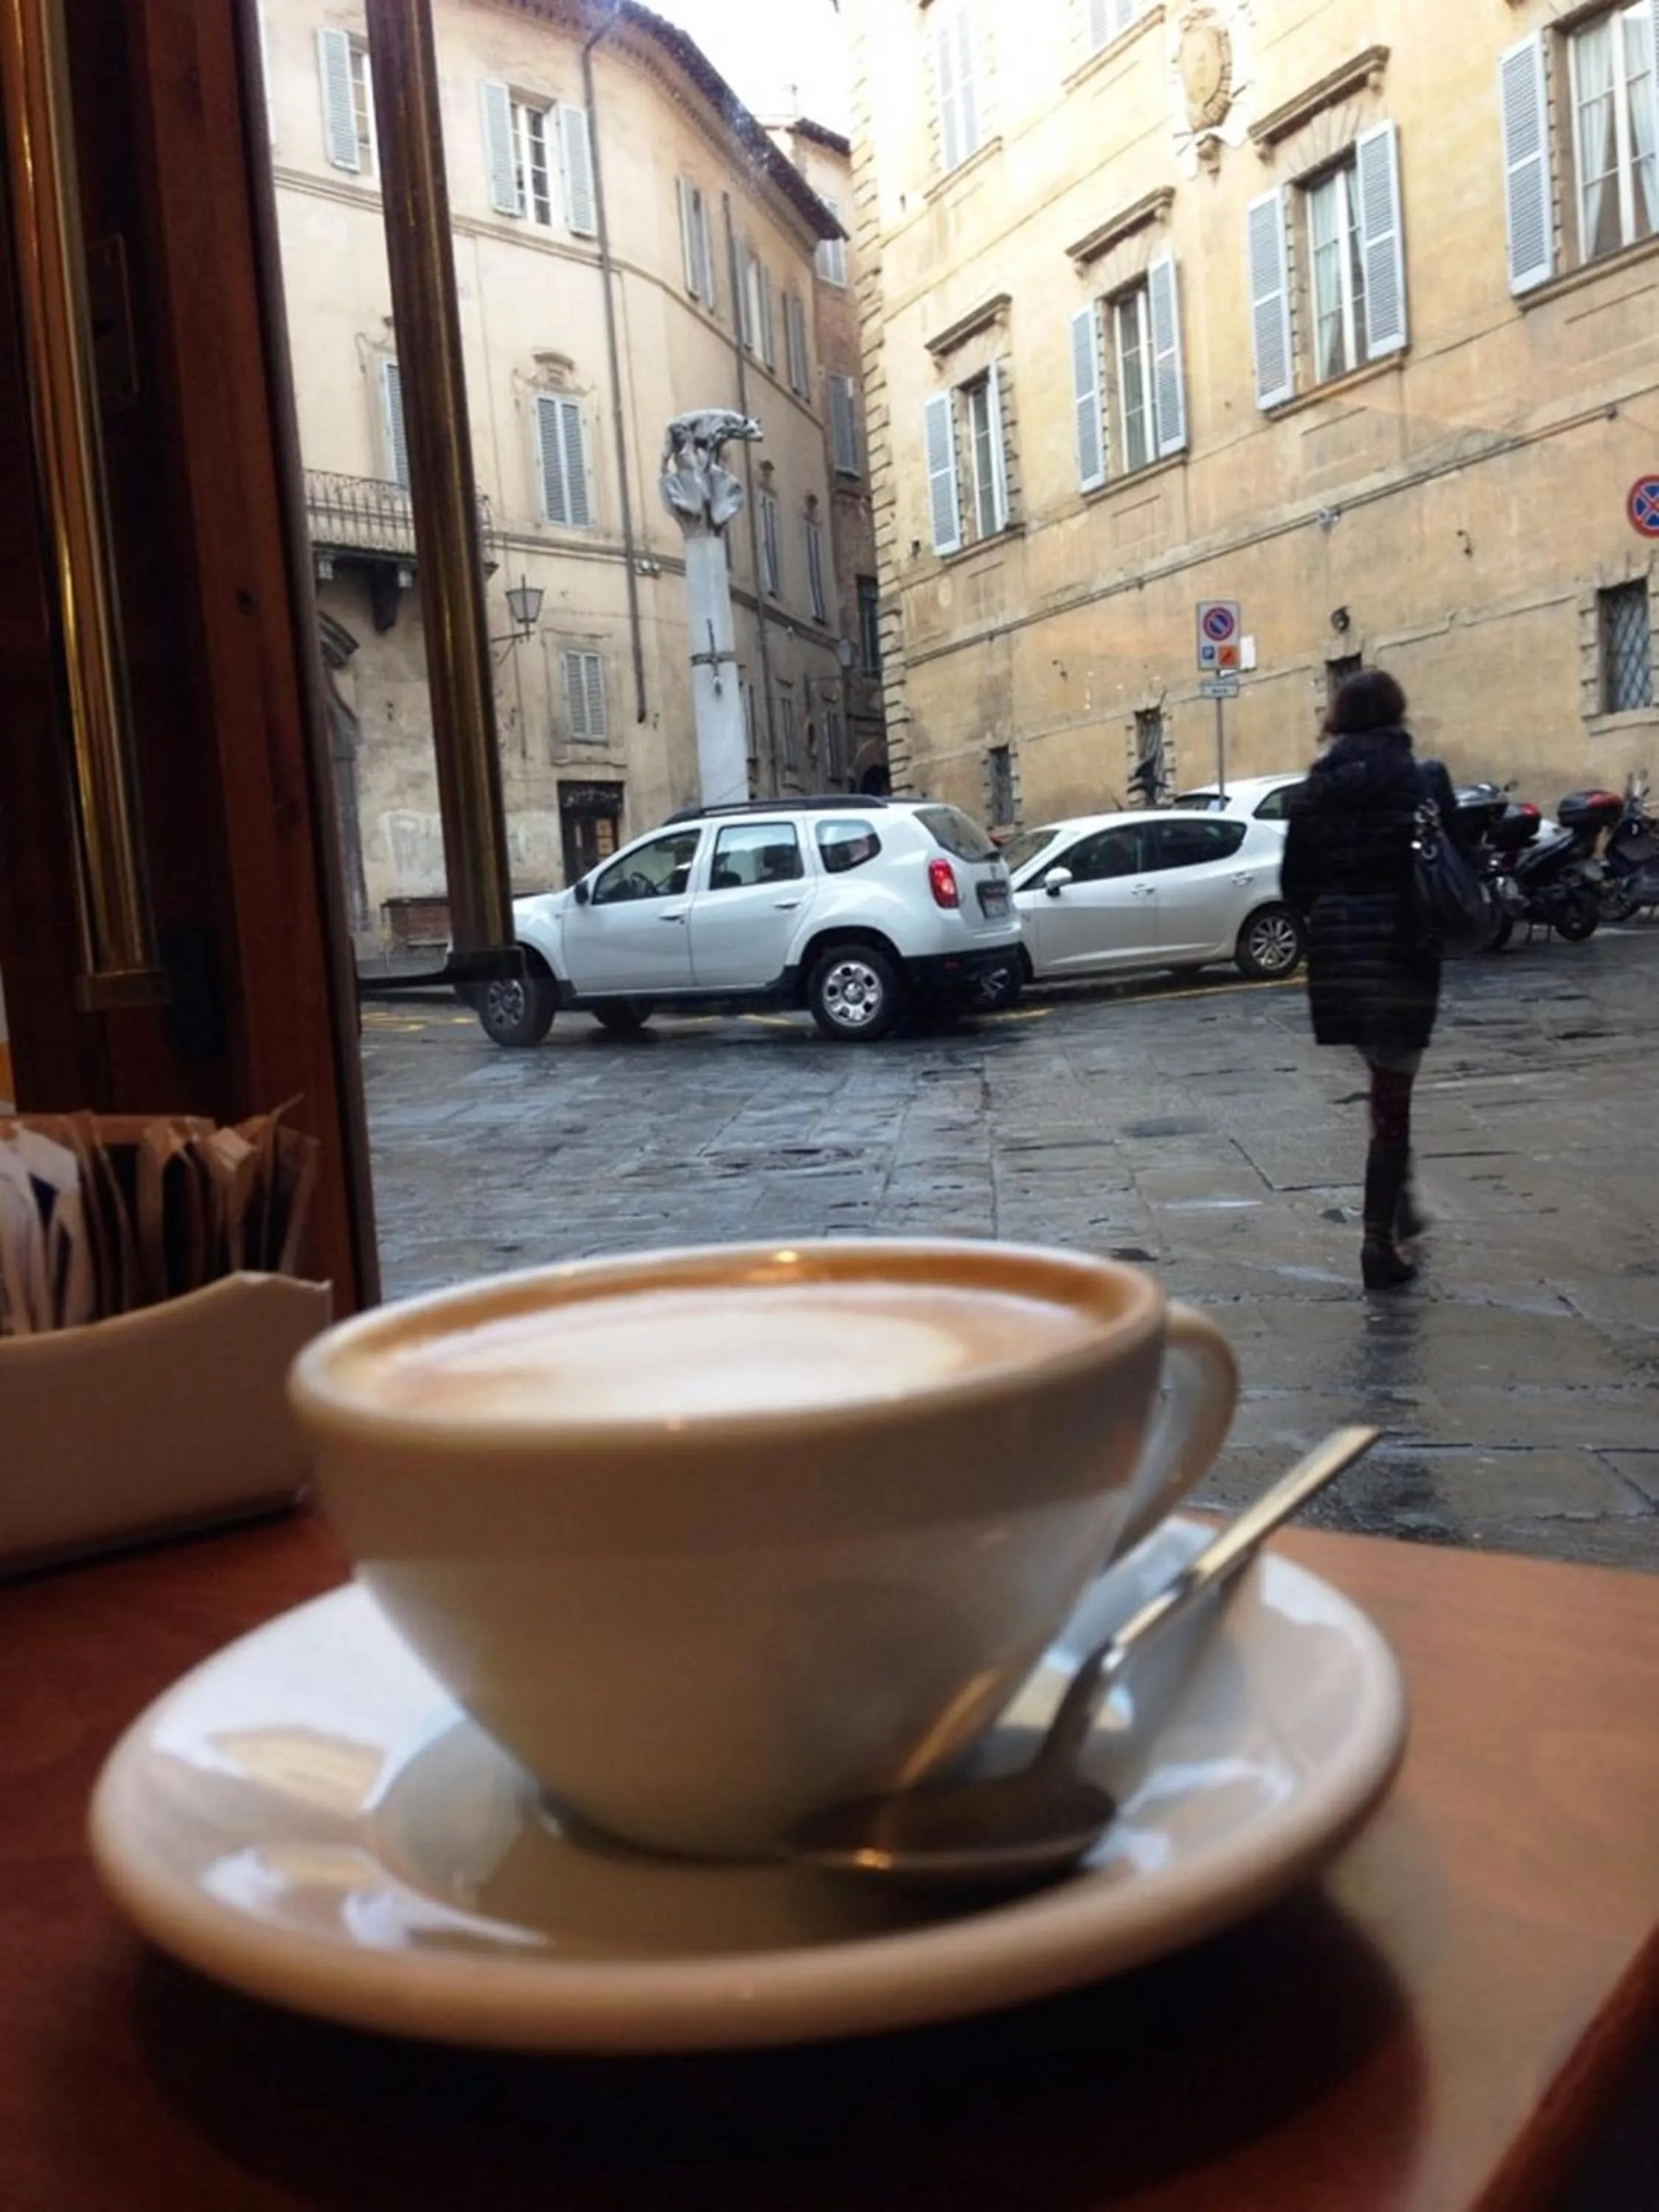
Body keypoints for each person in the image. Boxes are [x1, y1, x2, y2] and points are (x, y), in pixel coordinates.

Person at [1282, 669, 1442, 1291]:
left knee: (1385, 1085)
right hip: (1402, 949)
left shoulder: (1313, 791)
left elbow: (1294, 885)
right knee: (1393, 1092)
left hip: (1339, 956)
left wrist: (1335, 913)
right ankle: (1380, 1240)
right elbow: (1448, 857)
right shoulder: (1418, 780)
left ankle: (1399, 1198)